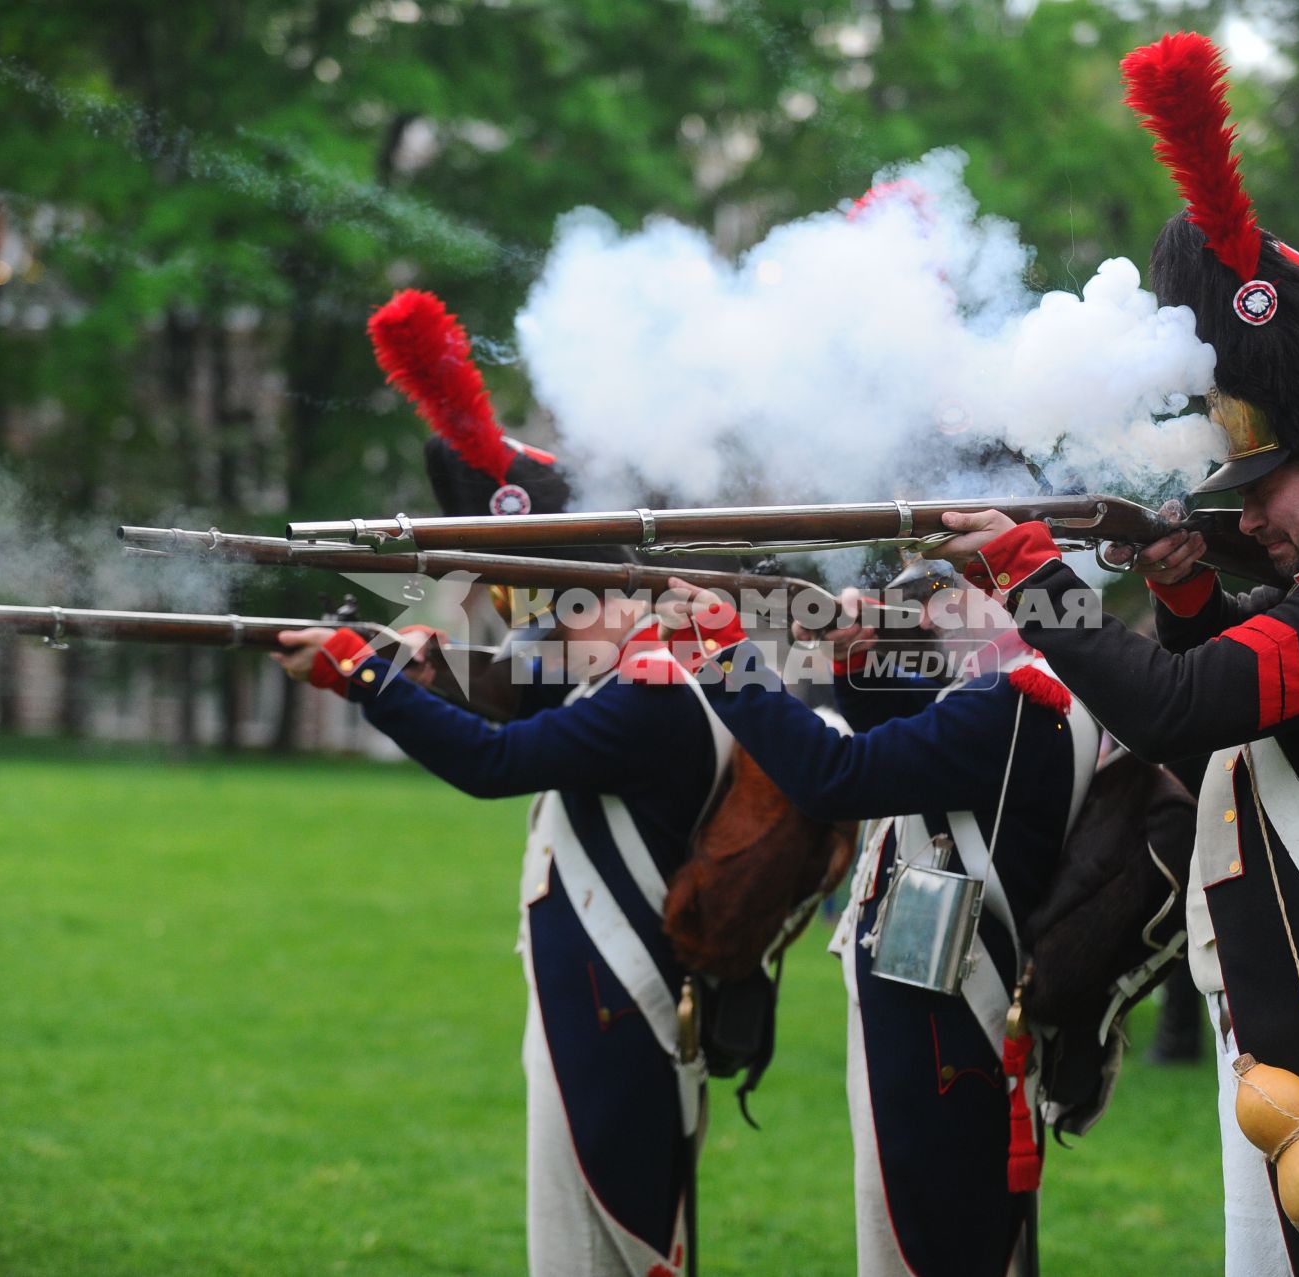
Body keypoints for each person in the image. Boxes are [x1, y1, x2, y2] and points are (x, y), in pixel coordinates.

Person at [928, 32, 1299, 1276]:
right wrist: (1194, 593)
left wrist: (1035, 579)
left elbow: (1188, 710)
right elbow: (1254, 710)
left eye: (1266, 485)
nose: (1250, 515)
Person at [275, 290, 721, 1276]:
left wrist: (364, 671)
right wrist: (416, 671)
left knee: (618, 1231)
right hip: (592, 985)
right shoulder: (625, 675)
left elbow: (500, 765)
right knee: (572, 1233)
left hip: (623, 991)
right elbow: (527, 725)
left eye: (544, 605)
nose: (533, 628)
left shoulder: (650, 688)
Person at [657, 563, 1099, 1276]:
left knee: (934, 1242)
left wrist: (727, 653)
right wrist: (856, 657)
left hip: (949, 1027)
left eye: (942, 596)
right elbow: (915, 736)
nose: (925, 617)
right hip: (938, 1020)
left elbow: (840, 775)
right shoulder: (1010, 689)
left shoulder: (1006, 699)